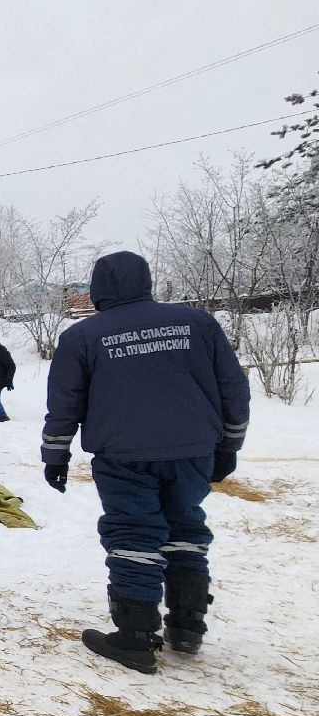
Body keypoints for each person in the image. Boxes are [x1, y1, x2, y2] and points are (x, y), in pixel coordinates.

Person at [41, 251, 250, 674]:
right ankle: (188, 626)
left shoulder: (83, 336)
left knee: (134, 532)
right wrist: (229, 444)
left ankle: (135, 636)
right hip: (193, 449)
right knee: (186, 526)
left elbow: (65, 403)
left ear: (97, 289)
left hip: (124, 456)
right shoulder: (197, 324)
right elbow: (234, 388)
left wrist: (55, 454)